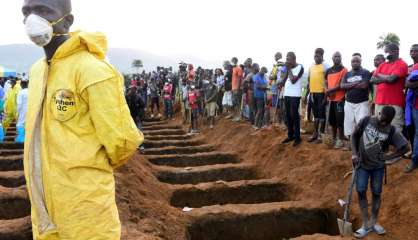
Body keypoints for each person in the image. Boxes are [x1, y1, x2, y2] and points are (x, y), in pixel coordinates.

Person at [21, 0, 143, 239]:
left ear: (67, 20)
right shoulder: (38, 70)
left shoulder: (92, 70)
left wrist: (83, 172)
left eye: (43, 10)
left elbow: (123, 142)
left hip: (86, 210)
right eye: (27, 11)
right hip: (45, 208)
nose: (32, 18)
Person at [351, 106, 409, 238]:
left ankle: (373, 222)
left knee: (376, 193)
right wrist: (354, 154)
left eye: (386, 122)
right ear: (378, 113)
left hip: (378, 167)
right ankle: (365, 223)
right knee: (360, 190)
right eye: (382, 119)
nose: (383, 123)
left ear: (391, 121)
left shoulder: (392, 130)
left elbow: (405, 148)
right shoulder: (365, 121)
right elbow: (354, 136)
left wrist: (388, 157)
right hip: (362, 165)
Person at [371, 43, 408, 132]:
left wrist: (379, 75)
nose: (385, 53)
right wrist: (387, 77)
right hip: (379, 101)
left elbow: (392, 79)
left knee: (395, 129)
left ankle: (395, 146)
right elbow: (372, 80)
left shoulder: (402, 64)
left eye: (387, 51)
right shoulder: (382, 65)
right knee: (378, 127)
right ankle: (381, 146)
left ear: (395, 52)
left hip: (395, 103)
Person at [340, 55, 371, 143]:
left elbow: (364, 85)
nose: (355, 63)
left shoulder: (365, 72)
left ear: (360, 62)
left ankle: (361, 144)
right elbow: (342, 86)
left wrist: (349, 85)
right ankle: (351, 143)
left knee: (361, 123)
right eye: (353, 61)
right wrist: (356, 83)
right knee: (349, 123)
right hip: (349, 103)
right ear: (351, 63)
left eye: (357, 61)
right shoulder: (347, 74)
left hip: (362, 103)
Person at [325, 52, 348, 149]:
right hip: (331, 99)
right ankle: (333, 138)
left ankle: (341, 139)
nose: (337, 58)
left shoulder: (344, 70)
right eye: (335, 56)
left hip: (340, 99)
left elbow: (342, 84)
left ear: (341, 58)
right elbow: (325, 82)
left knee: (340, 120)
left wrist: (331, 90)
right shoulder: (329, 70)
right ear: (332, 58)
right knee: (332, 120)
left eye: (339, 56)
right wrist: (326, 90)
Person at [282, 52, 304, 146]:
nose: (287, 61)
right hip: (286, 94)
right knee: (288, 116)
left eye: (289, 59)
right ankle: (290, 135)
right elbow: (285, 80)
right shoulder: (288, 68)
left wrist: (289, 69)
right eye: (286, 59)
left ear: (294, 59)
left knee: (294, 116)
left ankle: (297, 138)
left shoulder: (300, 67)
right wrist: (280, 82)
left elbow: (293, 80)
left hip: (295, 95)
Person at [306, 48, 328, 143]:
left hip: (322, 94)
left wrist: (326, 96)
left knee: (322, 114)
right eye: (315, 56)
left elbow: (328, 82)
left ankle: (321, 135)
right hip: (312, 93)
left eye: (318, 56)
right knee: (315, 114)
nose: (316, 57)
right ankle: (315, 133)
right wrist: (307, 93)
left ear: (322, 57)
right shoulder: (311, 66)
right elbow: (309, 79)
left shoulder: (326, 66)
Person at [404, 44, 418, 173]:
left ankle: (415, 160)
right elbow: (407, 84)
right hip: (413, 105)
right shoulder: (412, 67)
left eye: (415, 51)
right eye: (411, 51)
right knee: (413, 131)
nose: (413, 53)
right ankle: (414, 155)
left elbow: (409, 83)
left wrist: (410, 83)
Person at [270, 52, 287, 127]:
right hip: (278, 87)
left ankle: (280, 122)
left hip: (279, 87)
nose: (275, 58)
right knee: (278, 105)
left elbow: (274, 77)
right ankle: (279, 121)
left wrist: (273, 77)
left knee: (279, 105)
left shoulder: (279, 66)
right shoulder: (279, 66)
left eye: (275, 56)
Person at [253, 65, 268, 130]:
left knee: (262, 111)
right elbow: (258, 86)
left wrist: (264, 86)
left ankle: (260, 125)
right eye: (264, 72)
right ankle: (255, 125)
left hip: (263, 95)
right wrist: (264, 87)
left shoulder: (263, 77)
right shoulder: (256, 77)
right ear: (261, 70)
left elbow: (265, 84)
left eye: (265, 73)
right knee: (259, 110)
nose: (264, 74)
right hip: (258, 95)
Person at [231, 57, 244, 121]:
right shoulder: (233, 68)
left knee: (237, 102)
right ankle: (236, 115)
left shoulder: (239, 68)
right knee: (234, 102)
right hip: (233, 88)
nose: (233, 62)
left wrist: (238, 88)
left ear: (236, 61)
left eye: (234, 61)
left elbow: (239, 78)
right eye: (232, 61)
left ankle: (239, 116)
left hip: (237, 88)